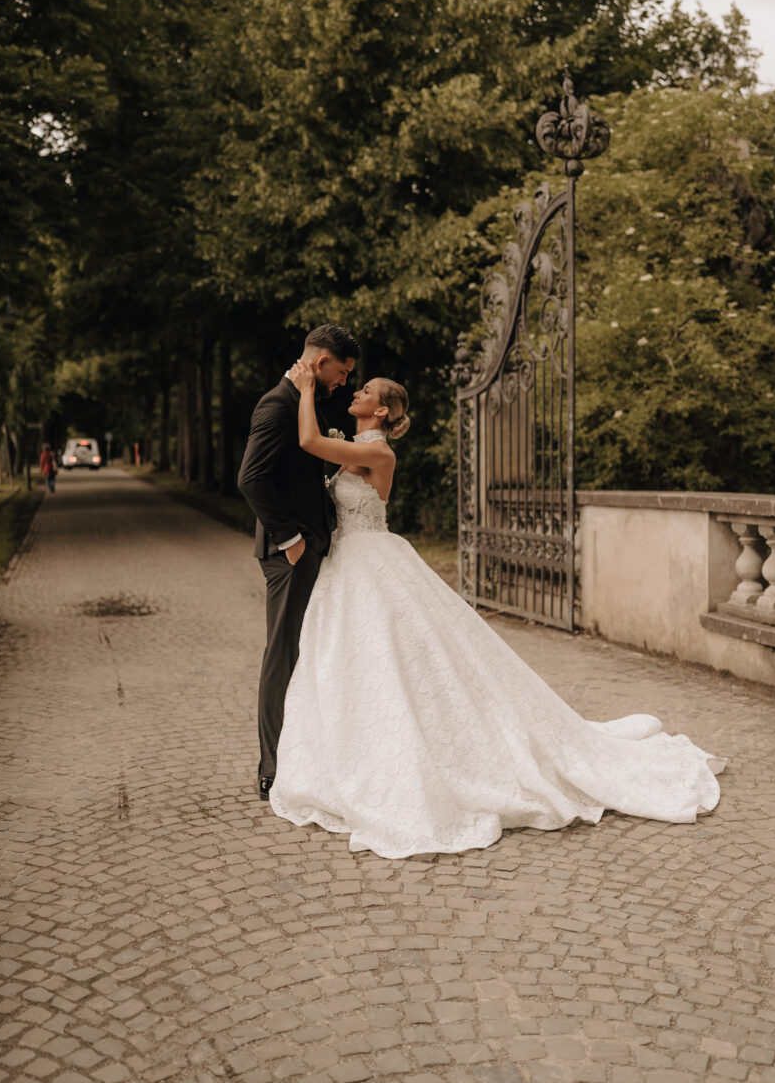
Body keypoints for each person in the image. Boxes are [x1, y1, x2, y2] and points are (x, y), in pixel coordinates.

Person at [268, 360, 726, 859]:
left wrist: (307, 387)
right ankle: (352, 755)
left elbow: (311, 442)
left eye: (367, 390)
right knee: (358, 666)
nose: (357, 392)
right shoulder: (357, 447)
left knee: (394, 662)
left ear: (380, 410)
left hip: (370, 561)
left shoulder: (377, 452)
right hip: (351, 564)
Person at [237, 324, 360, 801]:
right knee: (282, 653)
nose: (345, 382)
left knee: (307, 651)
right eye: (342, 372)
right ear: (319, 359)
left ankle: (306, 755)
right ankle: (272, 768)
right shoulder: (277, 404)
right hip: (290, 552)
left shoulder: (307, 401)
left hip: (310, 544)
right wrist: (289, 539)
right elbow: (251, 479)